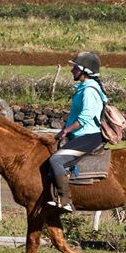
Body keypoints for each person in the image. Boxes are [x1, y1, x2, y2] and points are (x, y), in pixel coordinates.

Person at [48, 50, 108, 211]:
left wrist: (66, 131)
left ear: (85, 71)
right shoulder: (84, 88)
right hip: (84, 135)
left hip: (89, 136)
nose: (71, 70)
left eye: (75, 68)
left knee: (56, 160)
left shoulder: (88, 91)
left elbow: (85, 117)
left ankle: (65, 199)